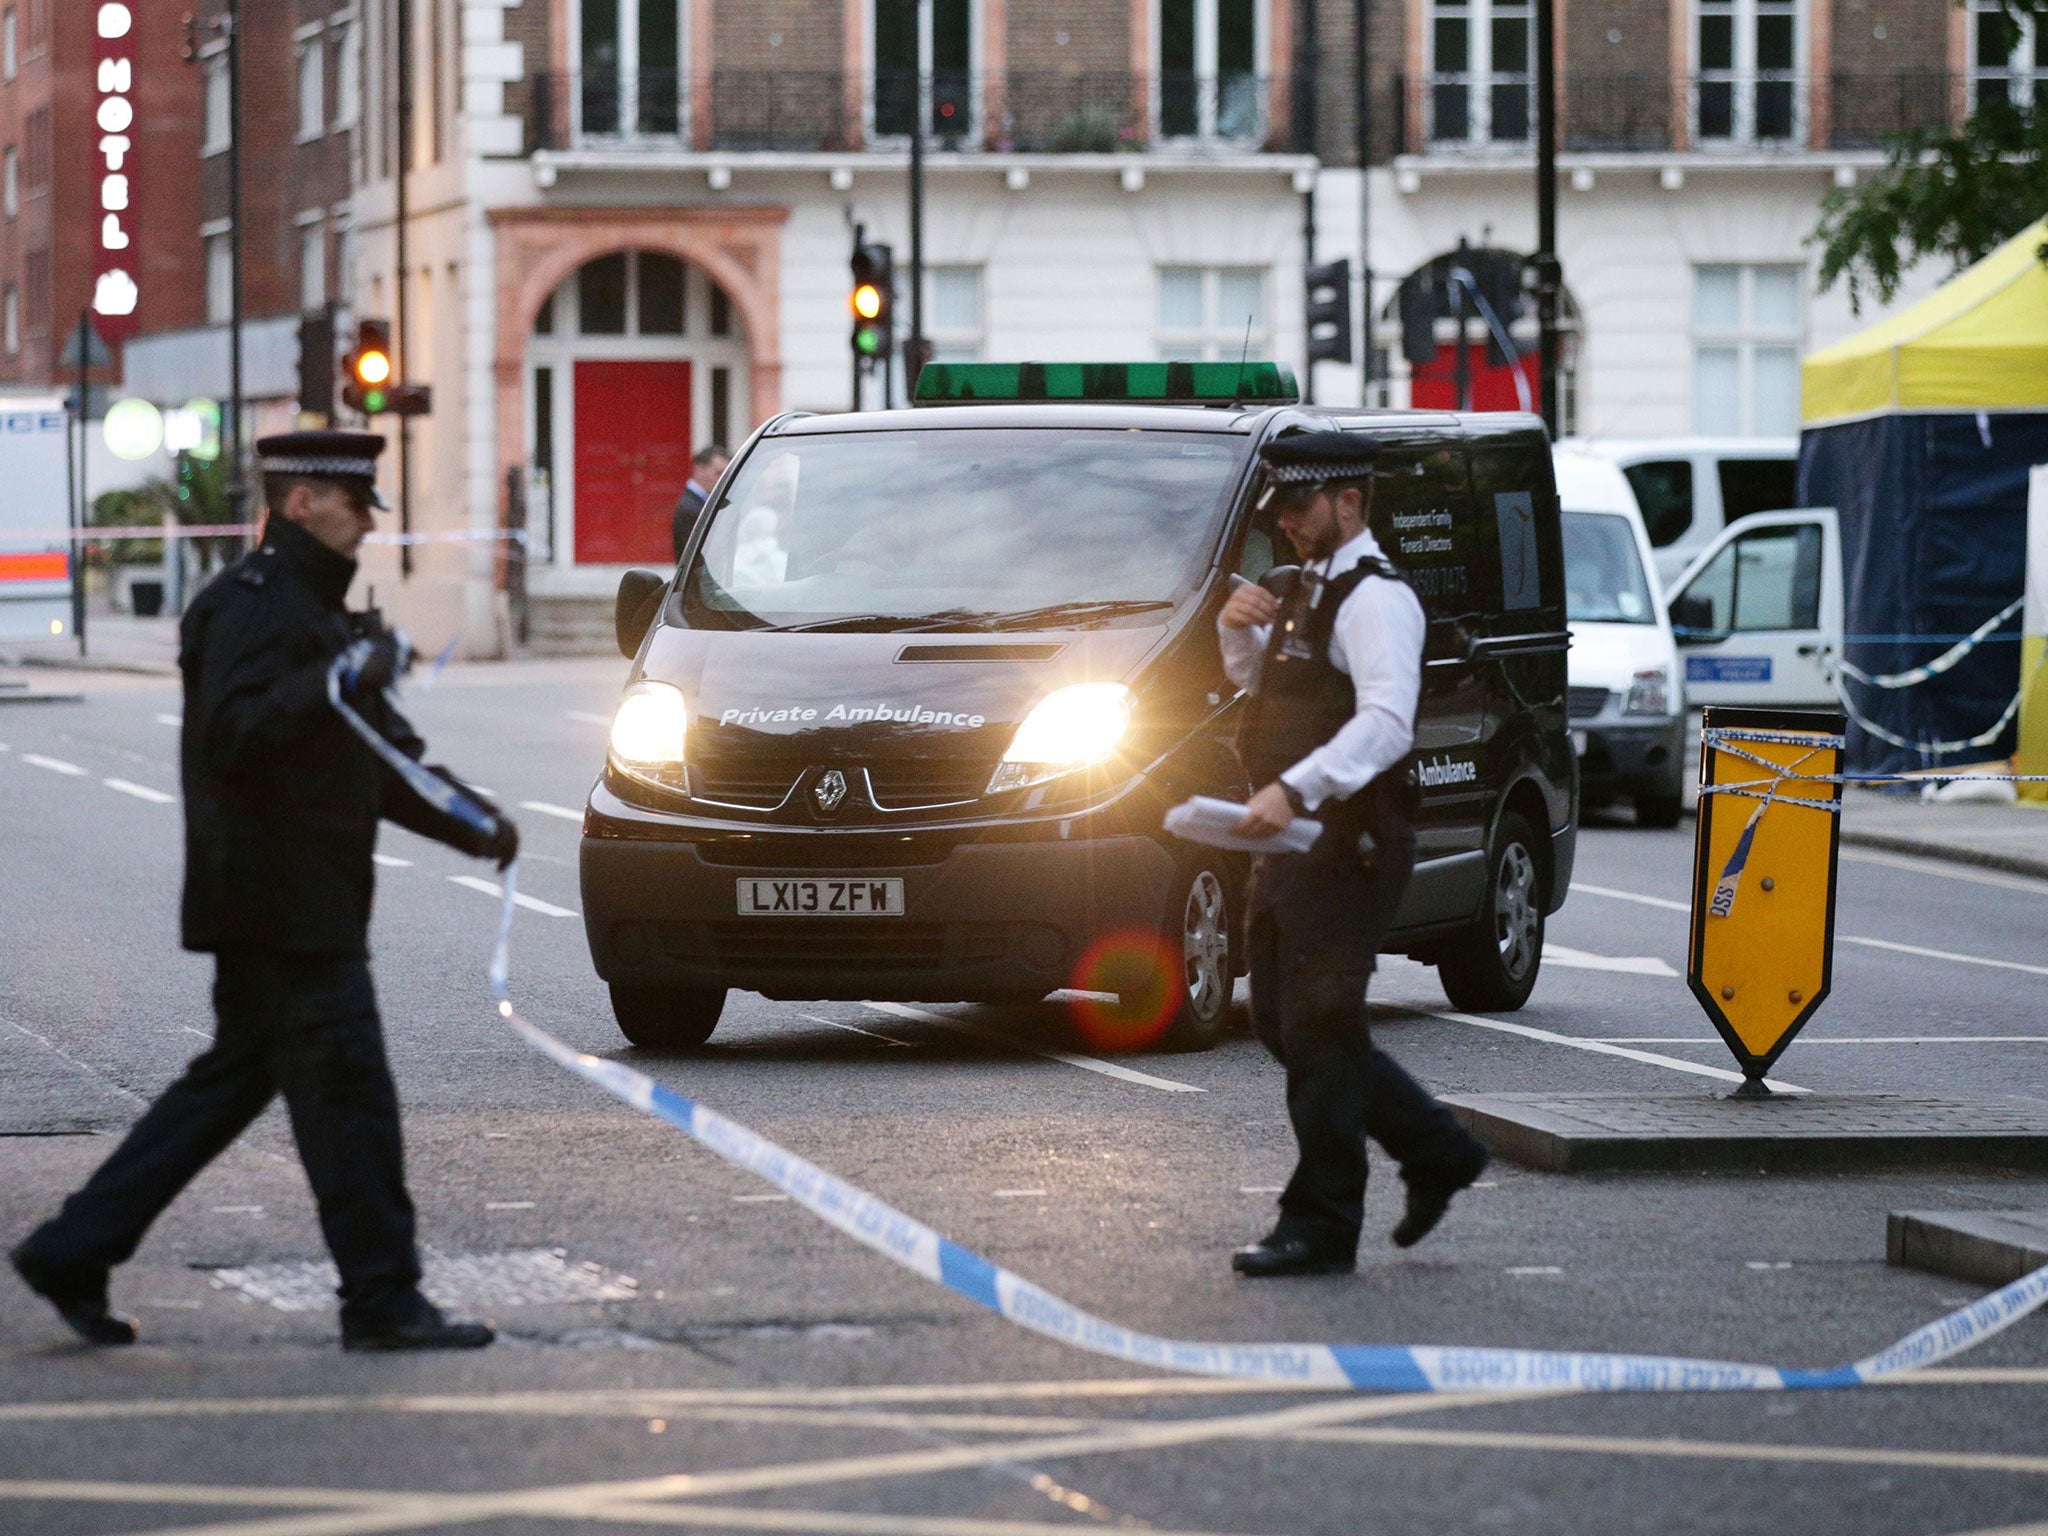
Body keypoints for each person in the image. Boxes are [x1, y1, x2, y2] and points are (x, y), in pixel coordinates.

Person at [10, 431, 519, 1351]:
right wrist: (335, 678)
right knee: (352, 1101)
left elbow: (380, 756)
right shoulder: (250, 607)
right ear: (300, 502)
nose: (368, 522)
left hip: (295, 901)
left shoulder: (316, 611)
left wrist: (474, 821)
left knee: (231, 1084)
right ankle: (383, 1300)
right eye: (354, 503)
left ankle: (72, 1249)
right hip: (281, 906)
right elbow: (233, 736)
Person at [1218, 430, 1489, 1278]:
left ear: (1348, 501)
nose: (1287, 522)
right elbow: (1271, 694)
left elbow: (1385, 723)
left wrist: (1295, 789)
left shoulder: (1377, 600)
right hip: (1299, 843)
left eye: (1301, 507)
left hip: (1353, 845)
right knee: (1283, 1022)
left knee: (1319, 1029)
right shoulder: (1300, 588)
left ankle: (1321, 1223)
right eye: (1280, 509)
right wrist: (1237, 635)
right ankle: (1438, 1149)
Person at [671, 443, 730, 562]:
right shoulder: (690, 508)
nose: (722, 480)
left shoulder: (705, 501)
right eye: (718, 473)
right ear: (700, 469)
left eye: (726, 475)